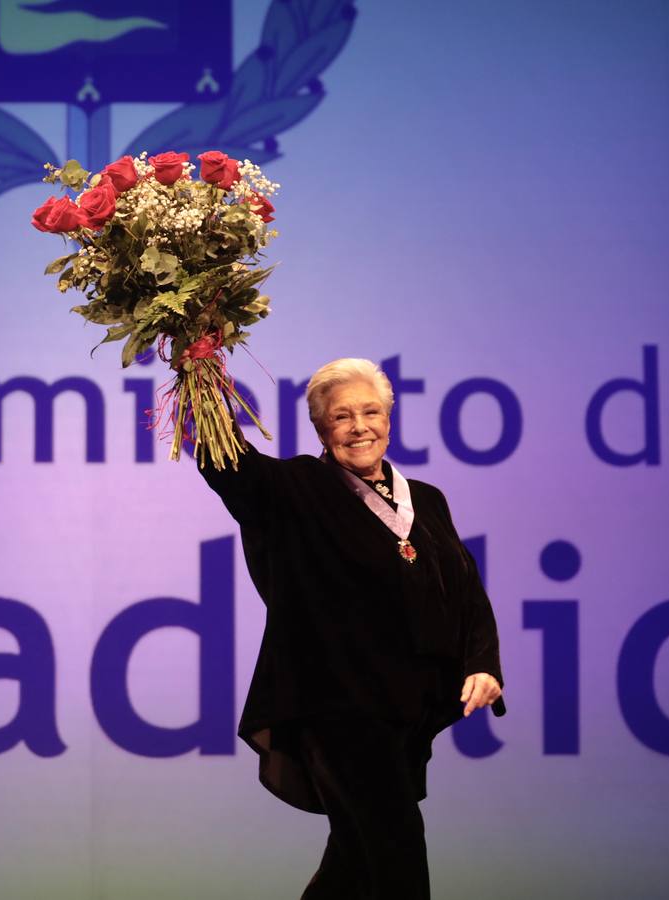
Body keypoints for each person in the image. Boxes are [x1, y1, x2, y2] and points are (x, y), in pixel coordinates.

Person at [198, 357, 505, 899]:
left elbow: (466, 591)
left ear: (390, 418)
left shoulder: (427, 500)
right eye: (342, 416)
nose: (360, 426)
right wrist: (200, 376)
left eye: (371, 412)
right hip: (334, 710)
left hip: (401, 714)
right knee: (398, 852)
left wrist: (483, 662)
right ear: (321, 428)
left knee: (353, 865)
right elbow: (229, 464)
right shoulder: (296, 488)